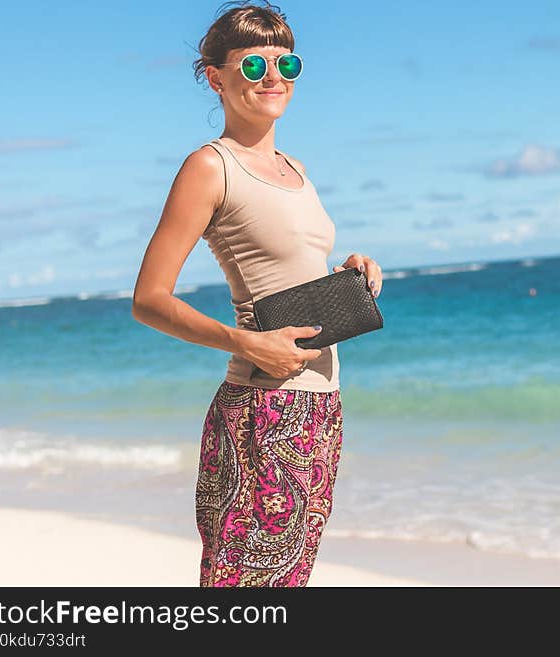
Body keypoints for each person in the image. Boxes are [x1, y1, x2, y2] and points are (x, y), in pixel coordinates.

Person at [131, 0, 383, 587]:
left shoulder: (295, 168)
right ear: (216, 77)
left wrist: (351, 271)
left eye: (286, 65)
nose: (273, 78)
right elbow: (148, 298)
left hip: (319, 406)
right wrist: (247, 341)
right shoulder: (210, 166)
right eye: (252, 66)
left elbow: (288, 264)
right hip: (261, 408)